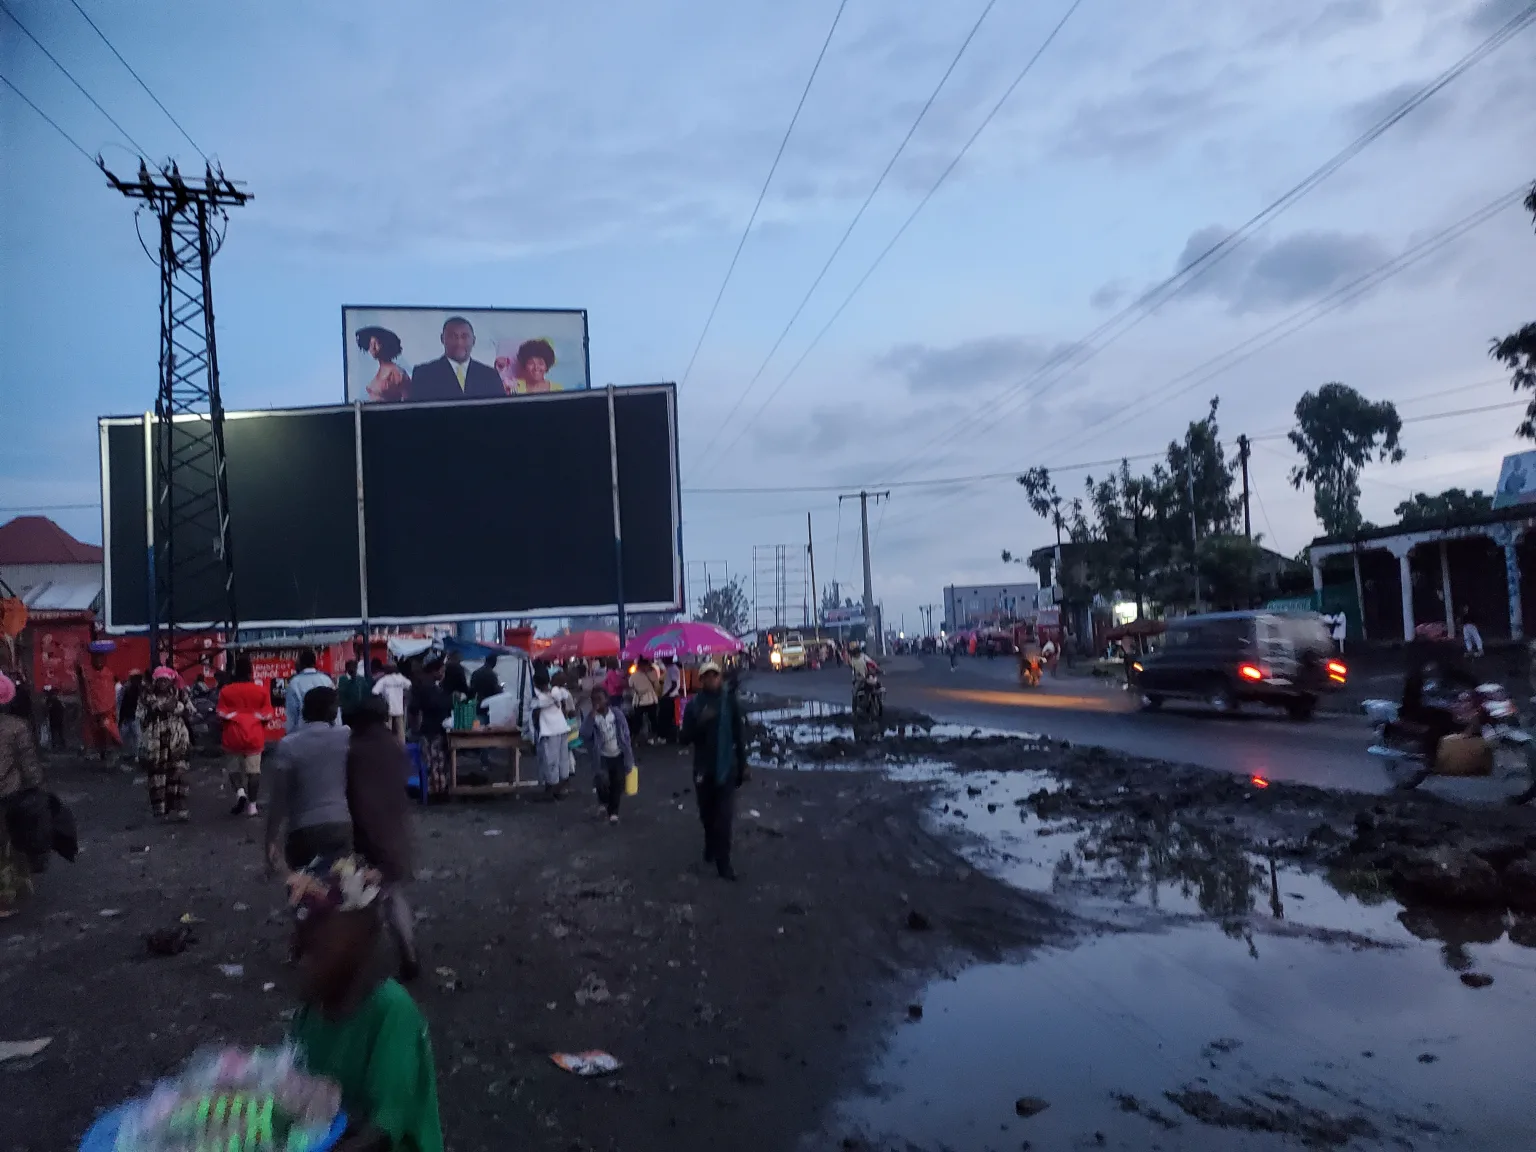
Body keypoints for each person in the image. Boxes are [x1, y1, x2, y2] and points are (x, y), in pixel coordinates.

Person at [286, 854, 444, 1152]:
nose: (303, 960)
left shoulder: (392, 1012)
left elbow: (384, 1130)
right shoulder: (309, 1013)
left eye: (317, 947)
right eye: (301, 947)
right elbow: (296, 1095)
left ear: (356, 945)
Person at [345, 696, 420, 980]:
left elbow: (357, 796)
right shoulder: (393, 746)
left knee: (364, 899)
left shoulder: (355, 750)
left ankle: (362, 963)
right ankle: (408, 954)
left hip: (368, 833)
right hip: (396, 828)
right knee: (392, 895)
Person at [266, 686, 354, 871]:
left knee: (306, 884)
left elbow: (279, 799)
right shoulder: (346, 736)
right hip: (341, 824)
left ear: (304, 711)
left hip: (302, 830)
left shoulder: (288, 745)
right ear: (333, 712)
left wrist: (271, 839)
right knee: (340, 882)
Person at [679, 661, 748, 881]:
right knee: (707, 814)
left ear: (720, 678)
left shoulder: (729, 702)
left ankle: (723, 863)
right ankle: (710, 843)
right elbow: (683, 739)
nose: (711, 679)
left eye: (715, 675)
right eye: (706, 676)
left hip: (726, 768)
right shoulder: (694, 705)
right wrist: (700, 722)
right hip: (703, 769)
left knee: (724, 818)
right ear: (701, 680)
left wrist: (743, 764)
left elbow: (739, 734)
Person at [0, 673, 43, 917]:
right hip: (10, 793)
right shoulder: (17, 727)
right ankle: (7, 896)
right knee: (10, 843)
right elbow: (28, 763)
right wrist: (37, 787)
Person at [218, 655, 271, 817]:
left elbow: (220, 714)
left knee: (233, 769)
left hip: (232, 736)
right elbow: (267, 715)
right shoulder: (261, 691)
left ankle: (240, 793)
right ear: (250, 672)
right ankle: (252, 806)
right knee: (254, 772)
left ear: (235, 671)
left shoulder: (226, 691)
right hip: (254, 736)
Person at [137, 667, 193, 821]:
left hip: (178, 738)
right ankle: (162, 811)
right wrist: (161, 708)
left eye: (165, 680)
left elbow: (190, 711)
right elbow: (141, 716)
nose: (163, 683)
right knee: (158, 775)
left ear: (170, 681)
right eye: (160, 680)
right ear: (155, 681)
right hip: (156, 739)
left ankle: (181, 809)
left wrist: (178, 708)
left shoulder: (180, 694)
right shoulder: (147, 697)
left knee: (179, 772)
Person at [406, 316, 502, 401]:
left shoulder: (490, 375)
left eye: (464, 336)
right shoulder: (423, 374)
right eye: (453, 336)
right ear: (442, 339)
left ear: (474, 340)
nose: (459, 342)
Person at [579, 686, 634, 824]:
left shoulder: (616, 714)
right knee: (601, 780)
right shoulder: (592, 718)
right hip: (602, 756)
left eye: (599, 699)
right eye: (594, 700)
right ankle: (603, 803)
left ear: (607, 700)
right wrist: (591, 718)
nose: (597, 703)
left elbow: (625, 734)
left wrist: (628, 755)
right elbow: (584, 734)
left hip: (618, 753)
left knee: (617, 782)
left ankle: (614, 812)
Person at [530, 667, 573, 798]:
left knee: (551, 761)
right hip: (562, 729)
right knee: (563, 759)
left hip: (550, 732)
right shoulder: (557, 692)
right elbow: (563, 696)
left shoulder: (539, 697)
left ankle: (552, 789)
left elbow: (535, 708)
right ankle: (563, 786)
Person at [412, 660, 452, 795]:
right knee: (434, 762)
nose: (443, 674)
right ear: (434, 671)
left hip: (435, 730)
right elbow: (416, 709)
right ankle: (436, 791)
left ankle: (437, 789)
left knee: (436, 762)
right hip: (431, 730)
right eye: (441, 671)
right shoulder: (427, 688)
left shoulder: (434, 687)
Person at [76, 641, 121, 759]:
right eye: (96, 657)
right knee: (94, 735)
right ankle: (99, 752)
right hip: (92, 711)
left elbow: (111, 693)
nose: (99, 661)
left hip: (107, 711)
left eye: (101, 658)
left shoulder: (109, 673)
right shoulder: (86, 672)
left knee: (110, 732)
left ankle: (110, 752)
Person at [355, 325, 410, 403]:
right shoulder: (377, 370)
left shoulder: (397, 373)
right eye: (371, 344)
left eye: (376, 343)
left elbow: (407, 401)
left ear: (385, 345)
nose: (373, 348)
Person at [286, 649, 335, 734]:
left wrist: (290, 734)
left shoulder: (294, 683)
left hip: (303, 732)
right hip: (327, 731)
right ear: (315, 663)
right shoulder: (326, 680)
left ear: (300, 663)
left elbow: (292, 713)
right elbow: (334, 707)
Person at [372, 661, 412, 741]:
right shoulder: (401, 678)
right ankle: (402, 746)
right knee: (400, 731)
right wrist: (403, 694)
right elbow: (409, 685)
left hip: (387, 708)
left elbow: (374, 691)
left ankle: (388, 745)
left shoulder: (384, 680)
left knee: (388, 730)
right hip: (399, 708)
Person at [629, 658, 659, 743]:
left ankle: (635, 738)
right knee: (653, 719)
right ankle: (654, 737)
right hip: (650, 698)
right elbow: (657, 686)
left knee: (637, 720)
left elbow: (630, 685)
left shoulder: (633, 675)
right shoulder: (653, 673)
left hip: (638, 699)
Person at [117, 669, 144, 765]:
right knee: (126, 736)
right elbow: (121, 703)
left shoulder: (141, 689)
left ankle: (135, 755)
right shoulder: (126, 689)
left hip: (135, 716)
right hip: (128, 716)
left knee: (136, 736)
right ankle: (128, 754)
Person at [469, 654, 501, 725]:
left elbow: (471, 691)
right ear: (494, 662)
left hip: (478, 706)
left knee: (477, 728)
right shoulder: (492, 675)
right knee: (487, 729)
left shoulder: (475, 673)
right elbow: (496, 692)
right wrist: (500, 689)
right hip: (489, 707)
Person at [658, 655, 681, 742]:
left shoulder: (673, 669)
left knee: (665, 717)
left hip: (670, 697)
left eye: (663, 659)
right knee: (667, 717)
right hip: (669, 696)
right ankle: (668, 736)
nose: (662, 660)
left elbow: (674, 684)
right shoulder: (669, 669)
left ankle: (666, 736)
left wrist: (666, 694)